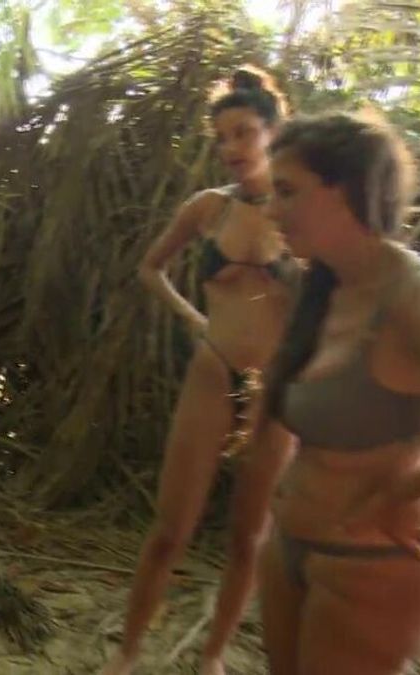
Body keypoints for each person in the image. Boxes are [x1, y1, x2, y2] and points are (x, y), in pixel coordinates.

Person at [230, 110, 420, 674]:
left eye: (287, 191)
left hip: (374, 567)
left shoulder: (419, 297)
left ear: (347, 190)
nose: (272, 209)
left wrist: (402, 494)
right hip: (291, 549)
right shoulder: (322, 290)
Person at [103, 66, 297, 675]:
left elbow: (345, 294)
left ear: (273, 132)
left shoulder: (306, 216)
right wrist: (193, 318)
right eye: (222, 138)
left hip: (278, 396)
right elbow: (150, 268)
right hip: (213, 376)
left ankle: (212, 657)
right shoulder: (207, 209)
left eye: (244, 133)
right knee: (169, 532)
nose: (231, 149)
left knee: (248, 540)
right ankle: (128, 655)